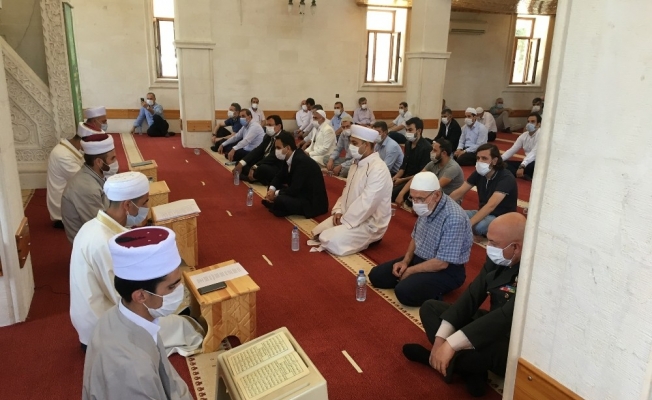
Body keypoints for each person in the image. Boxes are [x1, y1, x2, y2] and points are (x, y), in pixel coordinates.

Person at [70, 172, 203, 355]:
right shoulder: (103, 243)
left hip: (101, 313)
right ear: (127, 205)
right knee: (186, 329)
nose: (146, 208)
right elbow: (123, 298)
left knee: (171, 302)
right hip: (104, 327)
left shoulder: (94, 226)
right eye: (144, 203)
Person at [402, 213, 526, 397]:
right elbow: (471, 296)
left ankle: (435, 361)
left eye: (494, 243)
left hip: (512, 341)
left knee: (477, 352)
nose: (488, 247)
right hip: (489, 325)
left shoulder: (533, 274)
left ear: (515, 247)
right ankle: (465, 368)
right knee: (430, 309)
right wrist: (441, 340)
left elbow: (504, 318)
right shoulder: (501, 258)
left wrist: (451, 345)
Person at [82, 227, 194, 400]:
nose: (180, 291)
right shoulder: (132, 369)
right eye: (172, 287)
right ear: (140, 296)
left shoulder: (117, 316)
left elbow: (168, 378)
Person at [368, 172, 472, 307]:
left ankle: (435, 294)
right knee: (376, 276)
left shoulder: (454, 218)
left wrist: (410, 271)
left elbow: (441, 263)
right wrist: (405, 261)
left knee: (404, 292)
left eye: (420, 199)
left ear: (436, 195)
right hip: (421, 258)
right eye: (413, 198)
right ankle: (418, 282)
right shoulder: (427, 205)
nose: (416, 203)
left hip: (446, 270)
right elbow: (415, 238)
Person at [310, 125, 393, 256]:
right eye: (350, 142)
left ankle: (373, 239)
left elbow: (368, 202)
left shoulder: (378, 169)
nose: (350, 146)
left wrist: (345, 220)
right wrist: (339, 211)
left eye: (354, 143)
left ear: (366, 145)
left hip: (369, 223)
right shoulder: (356, 163)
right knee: (317, 233)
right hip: (348, 215)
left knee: (328, 240)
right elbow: (346, 190)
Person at [450, 143, 518, 237]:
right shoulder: (478, 173)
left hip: (501, 217)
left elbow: (491, 205)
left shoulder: (506, 178)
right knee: (454, 217)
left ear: (494, 161)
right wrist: (441, 205)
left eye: (484, 158)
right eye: (478, 158)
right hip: (483, 212)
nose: (480, 161)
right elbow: (459, 192)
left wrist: (469, 224)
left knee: (479, 227)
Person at [61, 134, 116, 243]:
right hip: (90, 244)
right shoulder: (86, 188)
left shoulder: (92, 175)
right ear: (99, 162)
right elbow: (102, 227)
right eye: (112, 158)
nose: (115, 162)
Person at [264, 132, 328, 218]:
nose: (276, 151)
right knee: (272, 186)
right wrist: (272, 190)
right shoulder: (288, 157)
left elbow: (294, 189)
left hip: (311, 201)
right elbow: (279, 176)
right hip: (299, 193)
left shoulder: (302, 161)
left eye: (278, 148)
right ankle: (277, 205)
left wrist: (275, 194)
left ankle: (277, 204)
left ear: (287, 148)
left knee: (280, 199)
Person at [47, 123, 97, 229]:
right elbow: (84, 182)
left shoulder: (70, 148)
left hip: (71, 194)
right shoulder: (63, 156)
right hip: (64, 210)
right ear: (82, 142)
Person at [395, 139, 465, 206]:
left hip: (449, 199)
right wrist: (401, 193)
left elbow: (435, 187)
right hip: (435, 194)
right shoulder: (433, 163)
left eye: (434, 150)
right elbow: (417, 177)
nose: (431, 152)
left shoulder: (452, 168)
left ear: (444, 153)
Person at [234, 115, 288, 185]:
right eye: (267, 125)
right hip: (263, 161)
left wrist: (255, 166)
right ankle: (257, 178)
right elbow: (257, 150)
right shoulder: (267, 136)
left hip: (275, 165)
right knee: (240, 163)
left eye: (270, 125)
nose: (267, 127)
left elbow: (272, 157)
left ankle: (253, 177)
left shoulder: (284, 138)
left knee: (262, 168)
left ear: (279, 126)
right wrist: (241, 163)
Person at [391, 117, 432, 201]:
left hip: (416, 181)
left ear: (419, 131)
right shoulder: (408, 144)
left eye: (410, 130)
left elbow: (421, 174)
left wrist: (401, 180)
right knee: (385, 186)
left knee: (391, 194)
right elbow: (403, 166)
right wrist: (395, 177)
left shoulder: (426, 148)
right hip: (404, 177)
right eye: (406, 130)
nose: (407, 133)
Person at [502, 112, 541, 180]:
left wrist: (522, 166)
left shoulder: (541, 135)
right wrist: (499, 160)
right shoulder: (524, 135)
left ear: (538, 124)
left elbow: (534, 153)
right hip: (526, 163)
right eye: (528, 121)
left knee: (533, 166)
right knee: (504, 164)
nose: (529, 124)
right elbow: (512, 150)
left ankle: (521, 173)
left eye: (532, 122)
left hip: (537, 163)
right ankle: (521, 174)